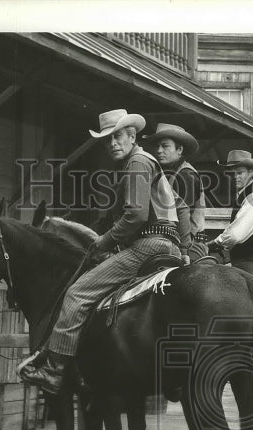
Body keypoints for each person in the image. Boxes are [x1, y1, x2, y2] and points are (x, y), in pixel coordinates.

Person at [18, 109, 181, 395]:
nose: (112, 144)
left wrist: (103, 241)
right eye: (107, 140)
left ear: (132, 136)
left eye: (117, 136)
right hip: (168, 243)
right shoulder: (147, 162)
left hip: (148, 245)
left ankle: (55, 370)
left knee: (77, 294)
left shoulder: (138, 163)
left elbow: (135, 217)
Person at [146, 122, 207, 264]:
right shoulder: (169, 172)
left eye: (165, 146)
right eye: (157, 146)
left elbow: (181, 216)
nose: (159, 150)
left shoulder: (185, 175)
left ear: (179, 149)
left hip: (190, 247)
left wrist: (184, 250)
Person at [207, 150, 253, 267]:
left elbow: (235, 235)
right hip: (248, 259)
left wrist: (214, 243)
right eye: (232, 174)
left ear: (251, 173)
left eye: (240, 173)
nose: (235, 177)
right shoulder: (245, 195)